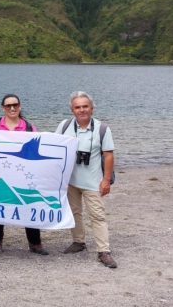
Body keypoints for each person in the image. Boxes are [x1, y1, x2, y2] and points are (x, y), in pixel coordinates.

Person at [55, 91, 117, 268]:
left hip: (93, 182)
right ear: (72, 109)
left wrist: (106, 181)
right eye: (77, 107)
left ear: (92, 108)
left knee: (97, 216)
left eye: (85, 106)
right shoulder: (65, 125)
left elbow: (109, 155)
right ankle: (78, 242)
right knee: (75, 213)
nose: (81, 110)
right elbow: (55, 148)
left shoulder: (102, 128)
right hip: (70, 181)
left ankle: (103, 251)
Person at [0, 94, 48, 256]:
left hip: (22, 173)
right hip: (1, 172)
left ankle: (35, 243)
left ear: (19, 106)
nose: (12, 108)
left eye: (15, 105)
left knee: (28, 204)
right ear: (3, 108)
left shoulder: (29, 127)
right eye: (8, 106)